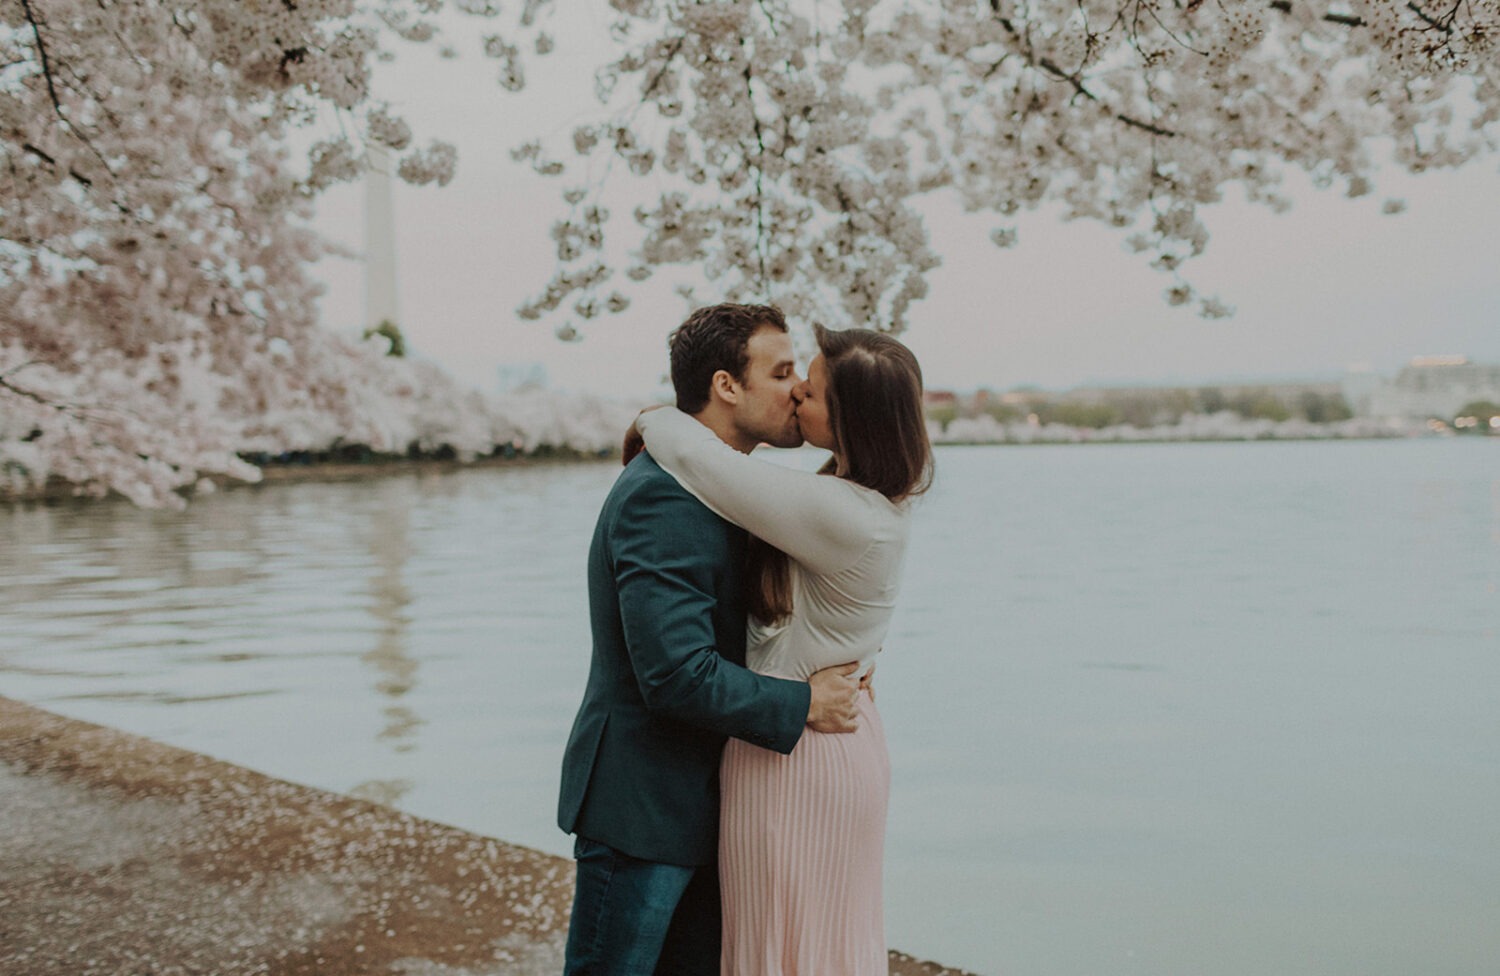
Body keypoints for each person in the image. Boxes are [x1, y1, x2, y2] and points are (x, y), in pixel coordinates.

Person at [557, 303, 867, 976]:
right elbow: (674, 673)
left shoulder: (726, 489)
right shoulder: (664, 497)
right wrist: (805, 703)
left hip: (711, 806)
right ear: (727, 386)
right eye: (781, 371)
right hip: (644, 804)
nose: (798, 390)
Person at [635, 322, 933, 976]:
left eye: (816, 391)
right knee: (821, 945)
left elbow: (701, 461)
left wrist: (652, 415)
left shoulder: (841, 512)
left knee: (783, 947)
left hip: (798, 753)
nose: (798, 393)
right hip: (826, 735)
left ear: (854, 421)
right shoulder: (867, 503)